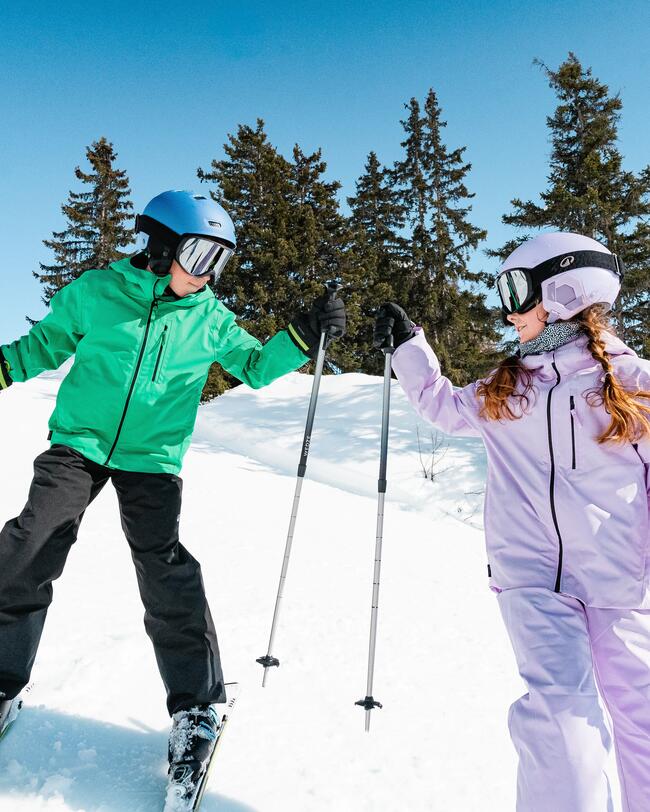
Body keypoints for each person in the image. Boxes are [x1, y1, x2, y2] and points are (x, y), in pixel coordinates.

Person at [0, 190, 346, 791]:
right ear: (160, 247)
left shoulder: (209, 318)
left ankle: (196, 707)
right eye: (199, 253)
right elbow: (39, 347)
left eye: (219, 259)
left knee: (165, 569)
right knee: (28, 546)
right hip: (77, 446)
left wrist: (301, 334)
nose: (208, 271)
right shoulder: (96, 293)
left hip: (152, 461)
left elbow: (256, 367)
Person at [374, 232, 650, 812]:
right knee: (561, 720)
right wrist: (409, 349)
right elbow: (441, 406)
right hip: (531, 583)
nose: (508, 308)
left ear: (564, 291)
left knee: (643, 718)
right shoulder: (508, 389)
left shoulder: (633, 385)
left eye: (517, 290)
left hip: (622, 584)